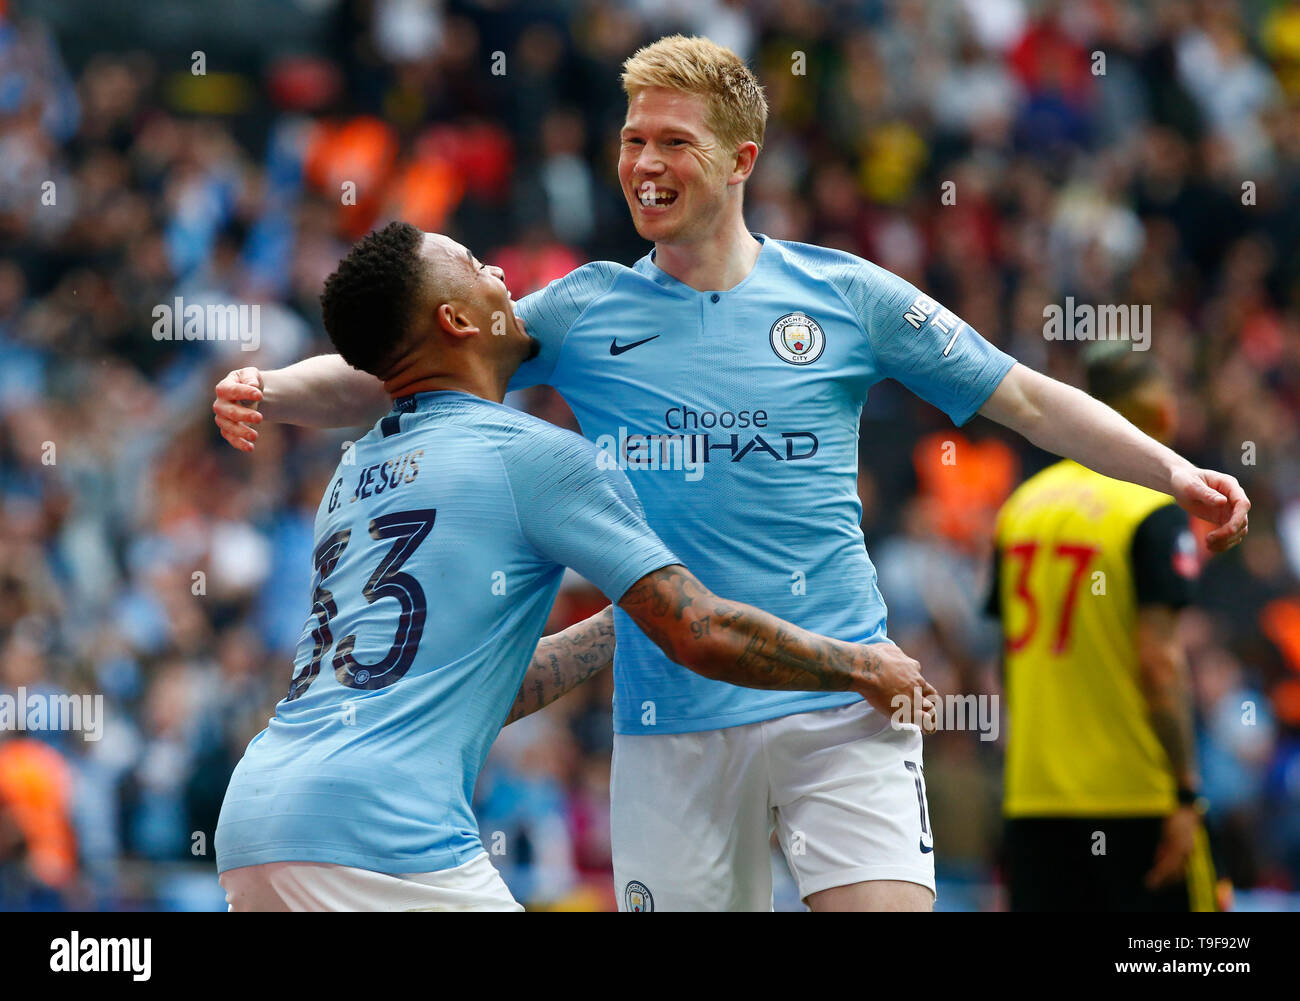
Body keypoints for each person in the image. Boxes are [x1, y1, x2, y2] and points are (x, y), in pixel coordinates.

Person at [213, 36, 1249, 912]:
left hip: (841, 694)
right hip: (671, 721)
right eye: (632, 141)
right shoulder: (583, 309)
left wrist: (1171, 469)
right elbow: (404, 367)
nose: (644, 164)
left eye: (673, 142)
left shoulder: (845, 294)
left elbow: (1021, 394)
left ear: (740, 156)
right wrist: (274, 387)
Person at [214, 222, 937, 911]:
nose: (499, 273)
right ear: (458, 322)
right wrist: (862, 667)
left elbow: (478, 685)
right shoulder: (535, 457)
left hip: (258, 821)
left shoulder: (353, 471)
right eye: (474, 265)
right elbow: (699, 632)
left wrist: (617, 625)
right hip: (382, 830)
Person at [991, 345, 1219, 911]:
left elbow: (1006, 662)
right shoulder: (1150, 507)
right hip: (1134, 798)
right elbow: (1159, 664)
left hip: (1036, 800)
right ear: (1156, 413)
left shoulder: (1020, 507)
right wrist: (1187, 793)